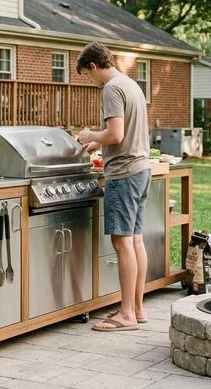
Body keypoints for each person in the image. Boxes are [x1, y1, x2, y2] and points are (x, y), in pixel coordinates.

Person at [76, 41, 151, 332]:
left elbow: (117, 133)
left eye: (87, 75)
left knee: (121, 242)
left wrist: (87, 134)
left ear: (93, 66)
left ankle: (126, 315)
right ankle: (138, 309)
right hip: (141, 169)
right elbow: (124, 131)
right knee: (135, 240)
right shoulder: (131, 84)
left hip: (123, 174)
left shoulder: (110, 89)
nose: (90, 82)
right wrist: (100, 141)